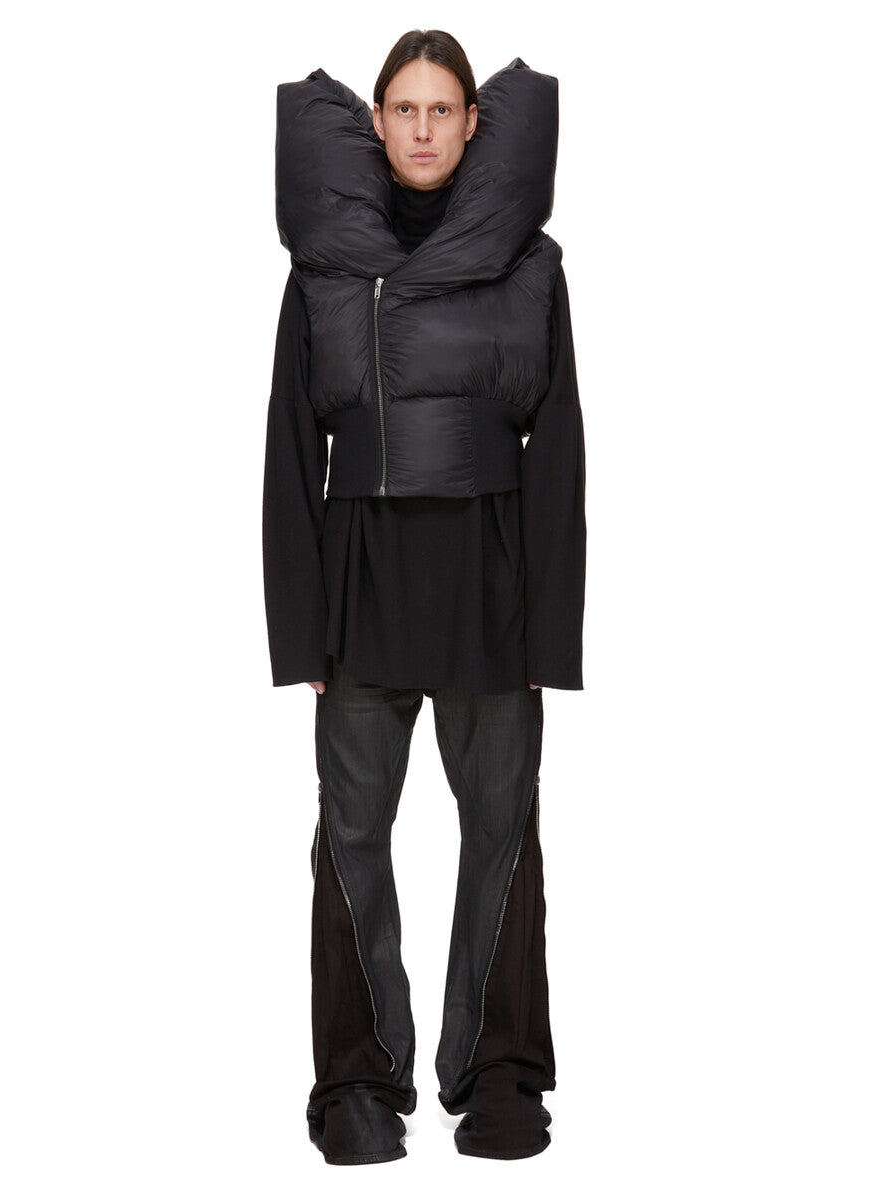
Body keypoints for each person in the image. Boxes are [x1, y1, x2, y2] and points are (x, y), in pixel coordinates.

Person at [263, 30, 586, 1165]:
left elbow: (560, 448)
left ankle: (497, 1072)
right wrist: (299, 626)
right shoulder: (322, 268)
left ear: (473, 123)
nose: (422, 128)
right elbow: (289, 447)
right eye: (403, 108)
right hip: (361, 570)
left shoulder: (533, 264)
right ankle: (359, 1077)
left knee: (502, 826)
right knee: (351, 831)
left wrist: (552, 628)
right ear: (376, 120)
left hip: (490, 570)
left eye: (442, 109)